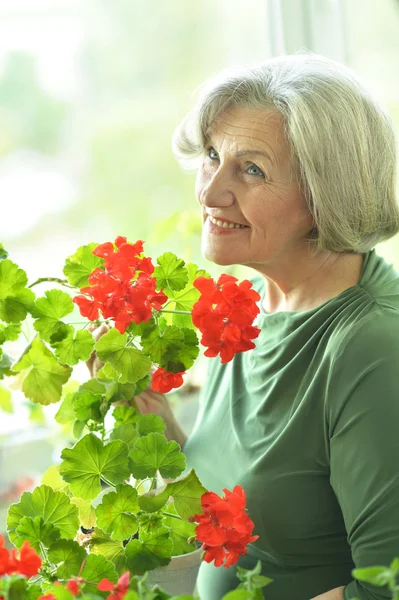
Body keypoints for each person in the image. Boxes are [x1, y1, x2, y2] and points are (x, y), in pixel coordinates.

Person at [89, 52, 399, 600]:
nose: (209, 193)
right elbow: (261, 511)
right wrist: (164, 430)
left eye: (251, 169)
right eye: (212, 155)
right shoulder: (251, 303)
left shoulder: (372, 348)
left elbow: (384, 590)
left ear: (326, 195)